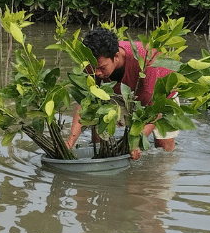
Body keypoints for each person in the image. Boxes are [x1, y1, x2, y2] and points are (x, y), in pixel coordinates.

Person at [65, 28, 177, 160]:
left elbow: (155, 111)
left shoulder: (145, 59)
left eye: (102, 68)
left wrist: (136, 142)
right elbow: (84, 103)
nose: (97, 73)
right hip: (121, 91)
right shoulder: (92, 61)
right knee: (97, 117)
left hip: (160, 97)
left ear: (116, 57)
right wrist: (69, 143)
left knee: (164, 150)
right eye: (93, 68)